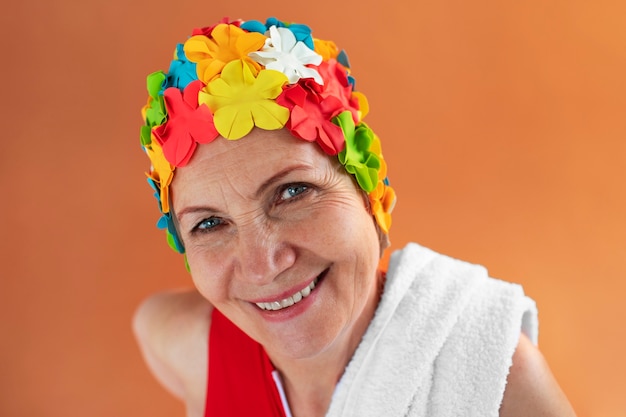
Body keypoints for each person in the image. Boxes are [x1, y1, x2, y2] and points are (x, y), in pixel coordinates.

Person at [133, 17, 576, 417]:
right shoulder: (186, 345)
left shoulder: (502, 382)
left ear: (369, 192)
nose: (262, 264)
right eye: (208, 223)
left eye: (292, 192)